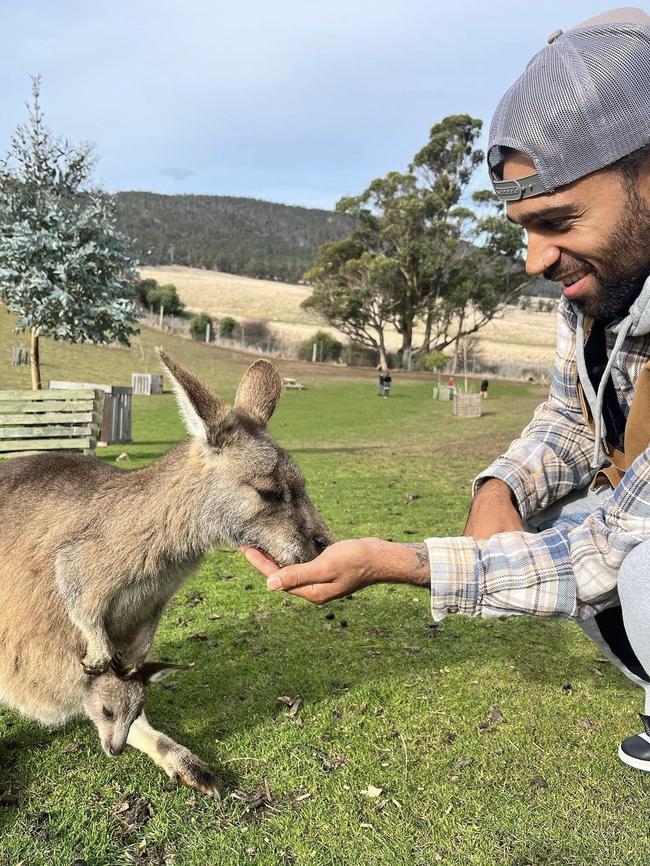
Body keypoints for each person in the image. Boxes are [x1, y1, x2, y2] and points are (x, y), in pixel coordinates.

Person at [243, 8, 650, 772]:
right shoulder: (607, 290)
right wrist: (497, 489)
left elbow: (612, 545)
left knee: (641, 571)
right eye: (522, 226)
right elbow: (571, 417)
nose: (535, 260)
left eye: (559, 219)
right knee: (548, 504)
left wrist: (402, 562)